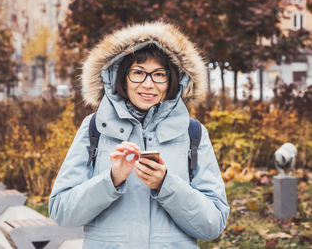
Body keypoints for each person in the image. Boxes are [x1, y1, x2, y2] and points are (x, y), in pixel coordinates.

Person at [49, 22, 229, 248]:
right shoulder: (94, 128)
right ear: (121, 76)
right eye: (138, 73)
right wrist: (111, 180)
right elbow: (61, 212)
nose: (148, 84)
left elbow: (213, 224)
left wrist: (165, 184)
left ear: (173, 80)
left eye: (159, 75)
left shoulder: (193, 133)